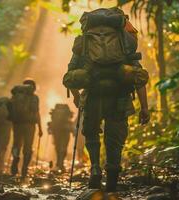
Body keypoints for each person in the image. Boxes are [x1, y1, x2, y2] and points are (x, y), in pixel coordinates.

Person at [63, 7, 150, 193]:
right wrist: (145, 107)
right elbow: (138, 77)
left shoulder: (84, 41)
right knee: (115, 139)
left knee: (91, 133)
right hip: (118, 97)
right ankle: (111, 180)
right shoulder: (125, 40)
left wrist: (77, 97)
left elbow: (70, 72)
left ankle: (95, 166)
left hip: (93, 96)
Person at [9, 78, 43, 178]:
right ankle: (24, 168)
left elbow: (10, 109)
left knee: (16, 144)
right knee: (28, 147)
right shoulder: (34, 97)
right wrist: (40, 128)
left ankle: (15, 159)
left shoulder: (16, 96)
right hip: (30, 125)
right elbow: (36, 112)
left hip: (17, 124)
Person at [48, 104, 74, 171]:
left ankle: (59, 162)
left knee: (58, 147)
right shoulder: (67, 118)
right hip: (65, 132)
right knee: (63, 148)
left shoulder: (55, 119)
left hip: (57, 131)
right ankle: (60, 163)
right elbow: (71, 124)